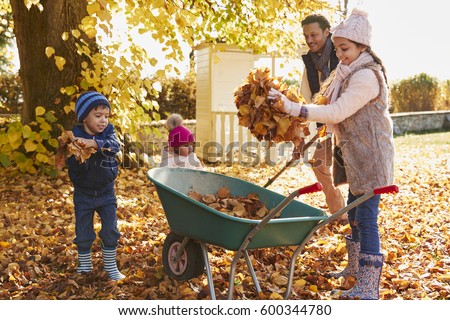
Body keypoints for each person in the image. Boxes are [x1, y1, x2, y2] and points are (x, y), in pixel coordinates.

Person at [269, 8, 394, 300]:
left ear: (363, 47)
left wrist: (293, 109)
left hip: (370, 156)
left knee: (366, 217)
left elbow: (337, 111)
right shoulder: (347, 72)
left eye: (345, 48)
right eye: (337, 49)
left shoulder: (366, 77)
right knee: (353, 212)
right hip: (352, 153)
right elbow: (326, 107)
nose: (339, 55)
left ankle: (367, 286)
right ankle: (354, 268)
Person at [65, 91, 125, 281]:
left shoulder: (109, 133)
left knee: (110, 229)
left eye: (106, 116)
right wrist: (78, 158)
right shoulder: (74, 137)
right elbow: (72, 170)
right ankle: (84, 266)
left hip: (107, 192)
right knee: (83, 232)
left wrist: (94, 144)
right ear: (84, 117)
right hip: (83, 194)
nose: (103, 121)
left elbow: (114, 146)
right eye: (97, 116)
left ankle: (110, 266)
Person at [297, 14, 346, 217]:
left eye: (314, 34)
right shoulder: (309, 64)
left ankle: (360, 217)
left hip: (348, 123)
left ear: (327, 32)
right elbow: (306, 100)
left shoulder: (343, 55)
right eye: (306, 35)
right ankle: (340, 213)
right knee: (319, 163)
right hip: (325, 126)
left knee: (352, 171)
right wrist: (298, 136)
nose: (309, 40)